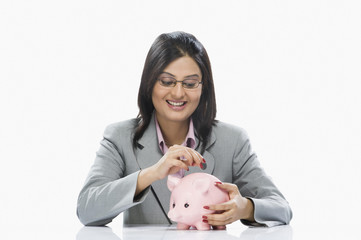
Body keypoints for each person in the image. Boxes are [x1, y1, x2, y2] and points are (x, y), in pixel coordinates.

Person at [76, 31, 292, 228]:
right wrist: (151, 174)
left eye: (190, 83)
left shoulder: (232, 141)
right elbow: (86, 210)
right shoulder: (120, 137)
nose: (178, 93)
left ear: (203, 88)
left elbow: (281, 208)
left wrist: (246, 207)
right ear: (149, 83)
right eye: (167, 81)